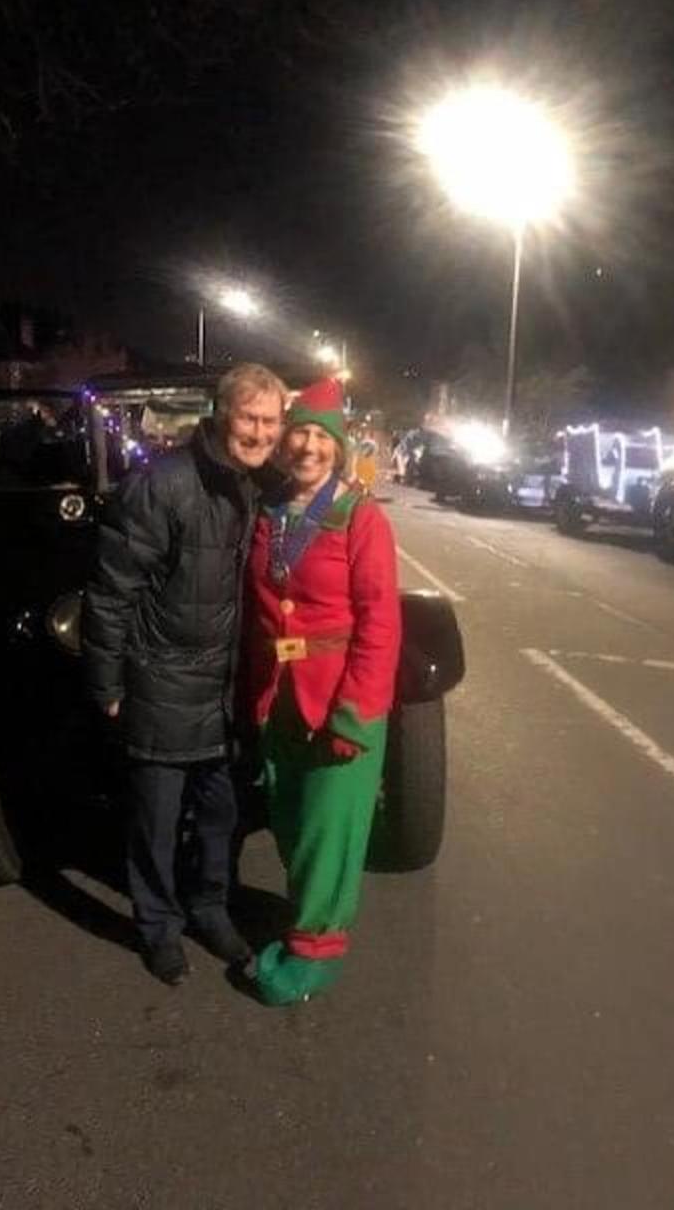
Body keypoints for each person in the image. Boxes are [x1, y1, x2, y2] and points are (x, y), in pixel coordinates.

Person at [82, 363, 287, 986]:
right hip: (163, 682)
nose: (259, 432)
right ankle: (158, 928)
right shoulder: (163, 484)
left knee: (224, 817)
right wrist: (108, 683)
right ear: (223, 414)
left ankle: (209, 907)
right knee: (155, 822)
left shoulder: (266, 491)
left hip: (226, 693)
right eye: (249, 417)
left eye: (270, 422)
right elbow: (113, 590)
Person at [242, 376, 401, 1005]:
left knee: (327, 830)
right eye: (299, 433)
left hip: (338, 700)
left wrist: (356, 713)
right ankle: (306, 919)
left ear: (338, 448)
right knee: (290, 819)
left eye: (320, 437)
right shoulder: (270, 513)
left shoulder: (361, 518)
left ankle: (316, 950)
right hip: (278, 694)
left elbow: (381, 623)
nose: (308, 446)